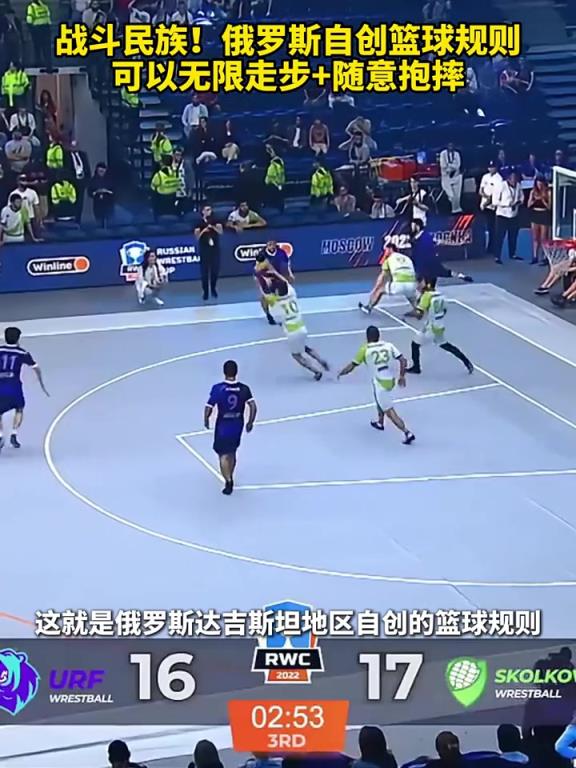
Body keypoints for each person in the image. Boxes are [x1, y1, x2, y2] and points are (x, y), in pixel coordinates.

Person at [338, 325, 415, 442]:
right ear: (379, 336)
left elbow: (352, 366)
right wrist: (402, 376)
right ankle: (380, 422)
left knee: (390, 411)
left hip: (381, 383)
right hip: (389, 379)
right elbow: (402, 360)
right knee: (377, 396)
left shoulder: (364, 349)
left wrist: (341, 373)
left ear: (367, 337)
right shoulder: (388, 345)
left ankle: (407, 433)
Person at [204, 360, 257, 495]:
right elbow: (253, 406)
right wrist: (250, 422)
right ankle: (230, 474)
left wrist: (206, 419)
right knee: (232, 452)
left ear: (224, 372)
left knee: (222, 454)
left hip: (223, 426)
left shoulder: (218, 389)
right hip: (237, 425)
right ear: (236, 372)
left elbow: (209, 407)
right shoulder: (244, 389)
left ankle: (228, 480)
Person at [406, 277, 474, 375]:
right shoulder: (441, 295)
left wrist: (408, 315)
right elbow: (444, 310)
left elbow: (419, 314)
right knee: (446, 345)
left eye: (420, 282)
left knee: (415, 344)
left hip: (430, 328)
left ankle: (416, 368)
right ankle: (467, 362)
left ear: (427, 284)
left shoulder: (426, 296)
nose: (418, 284)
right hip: (439, 326)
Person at [0, 327, 49, 453]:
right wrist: (41, 383)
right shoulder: (22, 353)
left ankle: (0, 435)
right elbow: (35, 367)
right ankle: (13, 432)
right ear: (18, 338)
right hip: (14, 386)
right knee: (19, 408)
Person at [269, 280, 329, 380]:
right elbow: (285, 282)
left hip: (292, 332)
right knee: (304, 347)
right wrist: (274, 273)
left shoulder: (275, 305)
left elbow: (278, 320)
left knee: (296, 355)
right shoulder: (292, 294)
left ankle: (316, 371)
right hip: (302, 328)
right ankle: (320, 360)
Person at [410, 218, 473, 285]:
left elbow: (441, 242)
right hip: (419, 263)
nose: (411, 228)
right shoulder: (414, 237)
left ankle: (462, 276)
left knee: (444, 273)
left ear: (418, 226)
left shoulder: (427, 236)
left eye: (412, 226)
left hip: (429, 263)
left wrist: (458, 243)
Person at [359, 247, 417, 314]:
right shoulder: (407, 258)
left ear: (390, 249)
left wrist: (374, 290)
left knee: (380, 290)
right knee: (410, 294)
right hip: (412, 284)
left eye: (385, 250)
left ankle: (368, 307)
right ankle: (417, 310)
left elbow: (382, 277)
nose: (384, 252)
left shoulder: (389, 259)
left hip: (399, 285)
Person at [254, 240, 294, 324]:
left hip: (278, 277)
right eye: (269, 244)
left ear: (275, 244)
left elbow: (287, 264)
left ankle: (287, 313)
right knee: (264, 298)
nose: (271, 246)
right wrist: (262, 284)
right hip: (266, 278)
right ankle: (268, 315)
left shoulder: (281, 252)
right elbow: (257, 271)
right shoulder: (262, 255)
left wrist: (289, 275)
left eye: (272, 244)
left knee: (284, 297)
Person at [493, 171, 524, 263]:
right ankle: (497, 256)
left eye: (515, 179)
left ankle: (512, 253)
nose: (514, 181)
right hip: (502, 215)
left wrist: (518, 202)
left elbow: (522, 197)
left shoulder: (518, 186)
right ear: (508, 179)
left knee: (513, 235)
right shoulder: (501, 186)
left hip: (514, 215)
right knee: (499, 236)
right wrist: (506, 204)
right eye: (512, 179)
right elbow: (495, 201)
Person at [194, 205, 223, 301]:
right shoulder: (198, 222)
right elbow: (197, 237)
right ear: (202, 211)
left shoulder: (216, 220)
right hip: (204, 250)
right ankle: (205, 292)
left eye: (210, 209)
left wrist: (213, 227)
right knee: (204, 272)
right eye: (207, 210)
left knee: (214, 271)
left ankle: (213, 289)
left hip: (214, 249)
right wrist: (204, 231)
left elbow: (220, 232)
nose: (209, 211)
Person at [479, 160, 503, 259]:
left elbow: (495, 194)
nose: (491, 169)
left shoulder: (499, 179)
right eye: (489, 167)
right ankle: (488, 247)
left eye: (493, 167)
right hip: (484, 205)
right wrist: (483, 197)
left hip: (492, 206)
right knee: (487, 228)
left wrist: (487, 202)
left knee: (493, 228)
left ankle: (493, 248)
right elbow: (481, 189)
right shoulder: (485, 177)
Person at [527, 176, 551, 265]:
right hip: (535, 214)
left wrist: (543, 199)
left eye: (541, 183)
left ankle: (545, 257)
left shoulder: (548, 192)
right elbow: (528, 205)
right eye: (538, 183)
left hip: (544, 214)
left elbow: (549, 207)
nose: (539, 185)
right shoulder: (533, 192)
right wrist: (534, 200)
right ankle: (535, 256)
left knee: (543, 238)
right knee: (535, 237)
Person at [439, 141, 463, 214]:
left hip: (456, 176)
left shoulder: (457, 154)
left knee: (457, 195)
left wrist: (449, 166)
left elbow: (458, 165)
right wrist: (452, 166)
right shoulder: (443, 154)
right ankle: (452, 207)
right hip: (446, 177)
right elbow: (443, 165)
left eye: (452, 145)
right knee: (451, 195)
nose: (451, 147)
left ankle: (456, 209)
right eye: (449, 145)